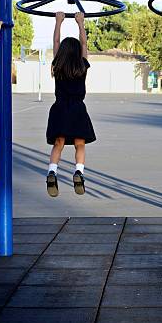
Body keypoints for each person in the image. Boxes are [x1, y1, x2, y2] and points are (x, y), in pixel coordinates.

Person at [46, 12, 96, 197]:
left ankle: (52, 171)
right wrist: (80, 23)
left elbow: (56, 42)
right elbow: (84, 43)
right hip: (77, 108)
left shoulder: (57, 65)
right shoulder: (82, 65)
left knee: (58, 143)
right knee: (80, 143)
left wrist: (58, 22)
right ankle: (79, 172)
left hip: (59, 108)